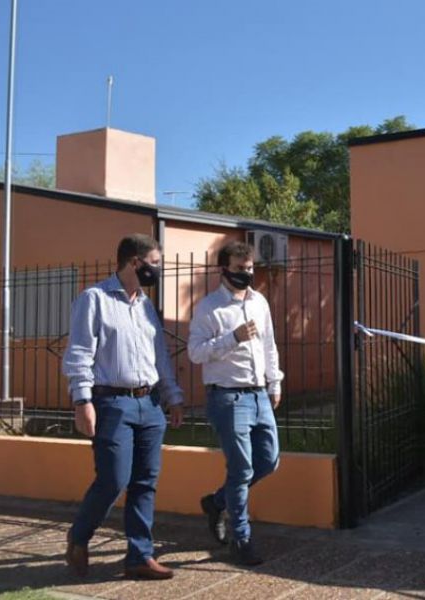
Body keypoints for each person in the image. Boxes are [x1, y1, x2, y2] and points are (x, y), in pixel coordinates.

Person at [63, 234, 184, 580]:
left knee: (145, 482)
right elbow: (79, 354)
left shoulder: (146, 305)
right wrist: (82, 400)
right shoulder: (94, 299)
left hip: (150, 403)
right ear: (135, 263)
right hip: (111, 403)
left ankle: (139, 556)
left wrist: (172, 395)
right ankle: (80, 535)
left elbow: (159, 355)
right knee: (114, 479)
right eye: (155, 263)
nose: (158, 271)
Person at [188, 240, 283, 566]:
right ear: (223, 269)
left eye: (250, 268)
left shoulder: (259, 302)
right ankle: (241, 539)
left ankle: (216, 502)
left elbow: (269, 344)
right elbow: (196, 352)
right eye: (240, 269)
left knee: (268, 461)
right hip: (227, 397)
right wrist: (233, 338)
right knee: (241, 469)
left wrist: (275, 381)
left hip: (259, 394)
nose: (247, 274)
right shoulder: (208, 307)